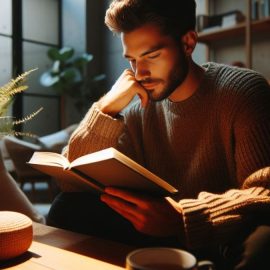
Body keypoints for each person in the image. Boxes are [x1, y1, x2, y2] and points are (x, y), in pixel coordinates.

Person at [48, 0, 270, 269]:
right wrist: (105, 108)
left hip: (222, 237)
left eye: (151, 57)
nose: (139, 74)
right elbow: (71, 183)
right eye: (132, 60)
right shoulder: (137, 109)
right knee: (68, 207)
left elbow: (263, 193)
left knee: (264, 240)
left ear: (188, 43)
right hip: (160, 235)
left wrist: (183, 217)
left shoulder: (242, 92)